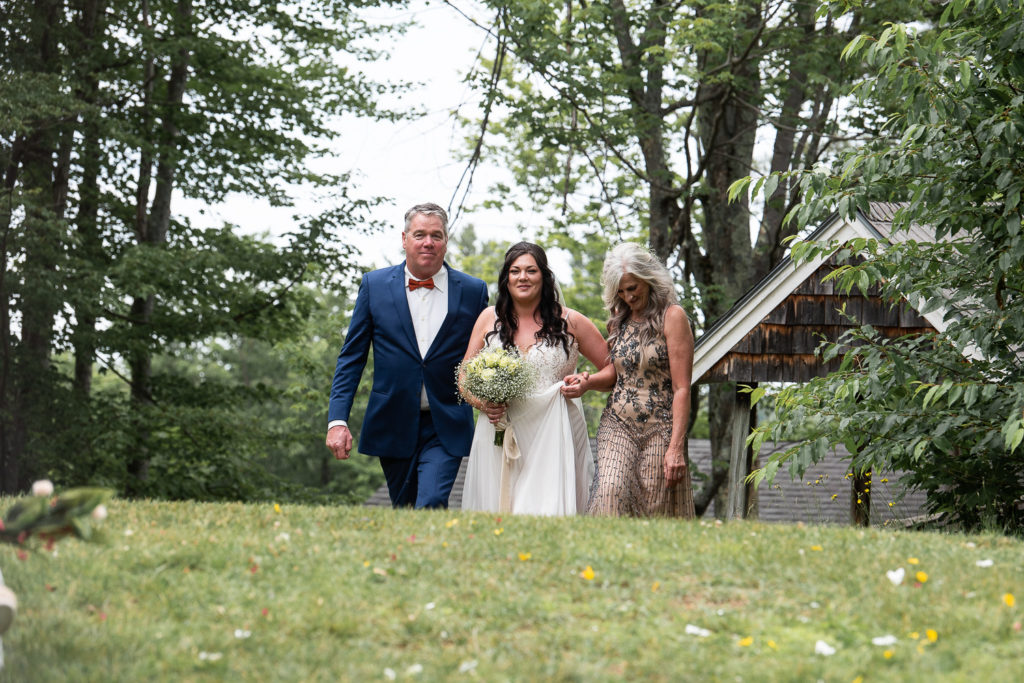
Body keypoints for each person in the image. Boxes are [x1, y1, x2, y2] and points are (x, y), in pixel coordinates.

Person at [326, 203, 489, 508]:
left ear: (446, 240)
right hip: (392, 420)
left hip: (447, 421)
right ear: (404, 239)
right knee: (404, 508)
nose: (428, 242)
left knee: (431, 502)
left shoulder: (472, 290)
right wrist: (337, 420)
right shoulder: (374, 286)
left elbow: (486, 354)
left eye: (436, 235)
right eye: (420, 234)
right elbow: (352, 359)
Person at [459, 242, 608, 516]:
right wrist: (482, 403)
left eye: (531, 270)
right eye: (515, 271)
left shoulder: (572, 322)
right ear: (506, 278)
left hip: (551, 433)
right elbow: (464, 373)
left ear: (544, 277)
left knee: (544, 511)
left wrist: (587, 384)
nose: (523, 277)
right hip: (499, 429)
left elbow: (613, 371)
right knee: (494, 511)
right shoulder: (487, 319)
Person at [562, 242, 696, 517]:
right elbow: (617, 371)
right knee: (610, 490)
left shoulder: (673, 317)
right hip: (618, 422)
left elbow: (683, 387)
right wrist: (588, 383)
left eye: (632, 288)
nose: (627, 297)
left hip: (660, 426)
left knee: (654, 507)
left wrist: (676, 448)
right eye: (620, 291)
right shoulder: (618, 318)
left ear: (648, 279)